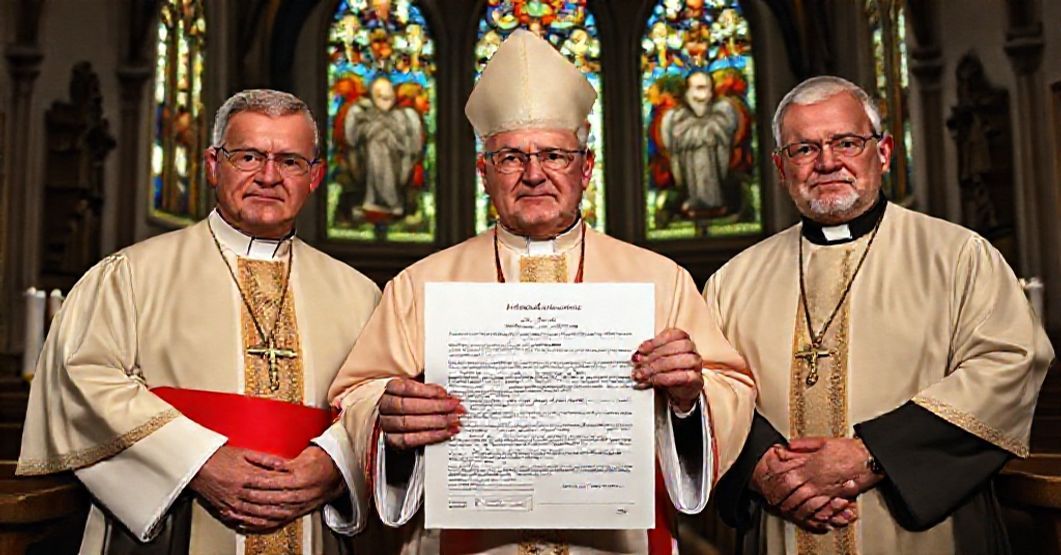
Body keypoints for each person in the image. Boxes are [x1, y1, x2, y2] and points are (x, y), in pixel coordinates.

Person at [326, 30, 757, 554]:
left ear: (586, 168)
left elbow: (727, 387)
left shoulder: (660, 279)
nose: (534, 174)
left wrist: (689, 399)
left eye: (554, 155)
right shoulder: (419, 285)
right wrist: (388, 415)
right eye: (510, 158)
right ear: (484, 172)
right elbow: (358, 394)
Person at [17, 89, 382, 554]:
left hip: (311, 526)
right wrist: (196, 461)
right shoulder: (130, 276)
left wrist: (335, 467)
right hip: (176, 525)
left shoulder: (359, 294)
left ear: (315, 177)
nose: (269, 176)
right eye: (249, 156)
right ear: (213, 165)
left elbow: (375, 403)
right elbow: (81, 378)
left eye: (290, 161)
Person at [704, 76, 1053, 554]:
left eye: (846, 142)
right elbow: (713, 389)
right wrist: (763, 469)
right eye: (803, 149)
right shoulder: (733, 281)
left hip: (919, 536)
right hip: (779, 526)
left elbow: (1011, 361)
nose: (827, 162)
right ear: (780, 167)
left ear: (884, 152)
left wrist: (871, 455)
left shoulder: (957, 256)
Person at [343, 75, 424, 217]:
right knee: (375, 146)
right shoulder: (364, 114)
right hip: (371, 159)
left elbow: (409, 144)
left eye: (389, 96)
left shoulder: (402, 115)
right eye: (381, 97)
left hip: (396, 159)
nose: (386, 101)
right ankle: (372, 200)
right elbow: (354, 138)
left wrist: (389, 130)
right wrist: (375, 128)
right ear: (373, 97)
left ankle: (392, 202)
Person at [661, 70, 739, 215]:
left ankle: (715, 202)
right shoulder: (677, 118)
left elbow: (726, 145)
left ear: (711, 92)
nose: (702, 95)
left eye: (706, 88)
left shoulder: (722, 114)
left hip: (713, 165)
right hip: (689, 168)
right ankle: (692, 201)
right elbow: (672, 148)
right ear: (687, 93)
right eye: (698, 88)